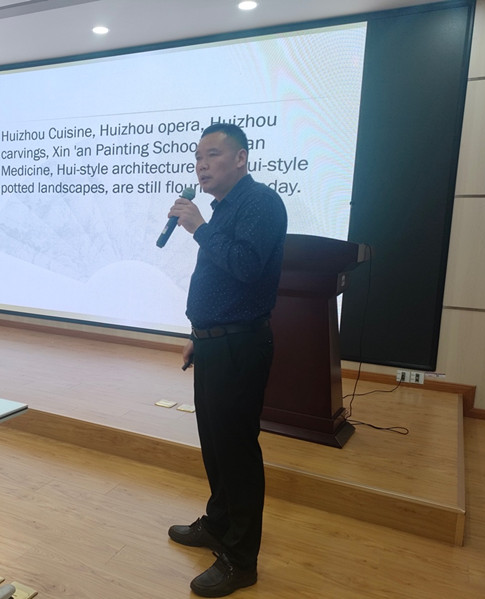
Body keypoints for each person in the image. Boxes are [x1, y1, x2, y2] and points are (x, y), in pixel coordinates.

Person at [166, 122, 287, 597]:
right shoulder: (223, 209)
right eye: (198, 156)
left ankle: (240, 560)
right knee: (215, 446)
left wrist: (199, 228)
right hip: (215, 343)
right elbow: (220, 283)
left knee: (237, 452)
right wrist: (200, 335)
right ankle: (218, 524)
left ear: (241, 158)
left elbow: (245, 266)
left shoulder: (261, 203)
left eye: (213, 154)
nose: (202, 164)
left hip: (241, 347)